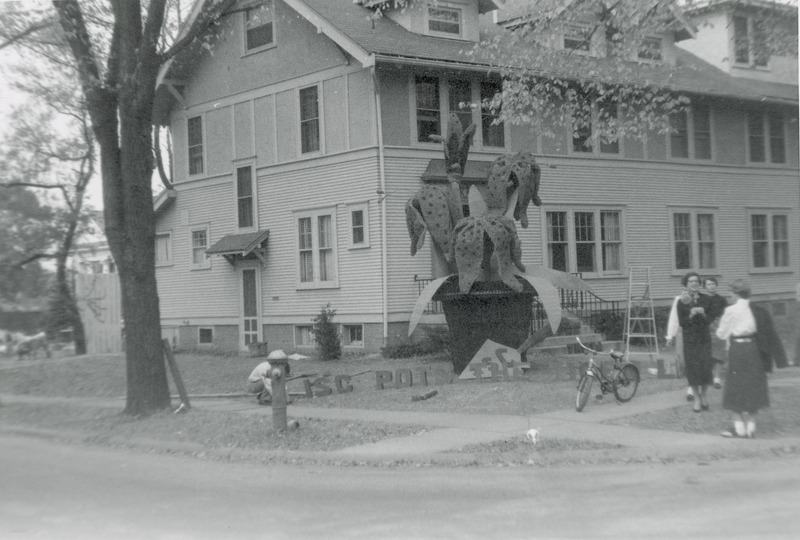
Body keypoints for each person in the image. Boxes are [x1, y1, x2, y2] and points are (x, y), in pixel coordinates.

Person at [717, 279, 787, 438]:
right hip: (754, 349)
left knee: (735, 386)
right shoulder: (759, 311)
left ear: (736, 293)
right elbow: (770, 335)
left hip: (738, 350)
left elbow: (721, 334)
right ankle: (751, 427)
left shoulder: (731, 310)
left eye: (731, 293)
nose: (729, 296)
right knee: (754, 386)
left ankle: (739, 427)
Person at [676, 272, 713, 412]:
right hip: (690, 339)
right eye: (691, 281)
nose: (694, 283)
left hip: (704, 338)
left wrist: (703, 313)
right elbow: (682, 322)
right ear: (686, 284)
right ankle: (697, 399)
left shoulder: (706, 299)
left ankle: (704, 396)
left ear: (700, 283)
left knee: (705, 368)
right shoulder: (682, 300)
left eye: (696, 281)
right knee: (693, 369)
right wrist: (691, 313)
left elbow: (710, 319)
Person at [665, 289, 693, 402]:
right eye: (690, 283)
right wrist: (670, 336)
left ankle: (691, 390)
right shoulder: (678, 300)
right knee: (682, 361)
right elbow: (674, 318)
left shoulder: (699, 299)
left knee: (692, 361)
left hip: (696, 332)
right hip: (682, 331)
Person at [703, 277, 729, 389]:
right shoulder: (702, 299)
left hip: (719, 328)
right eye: (708, 284)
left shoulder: (722, 299)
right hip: (705, 328)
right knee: (707, 353)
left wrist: (719, 323)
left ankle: (717, 379)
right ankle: (708, 377)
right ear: (705, 287)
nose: (711, 286)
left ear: (716, 285)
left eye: (713, 284)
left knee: (718, 353)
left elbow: (727, 314)